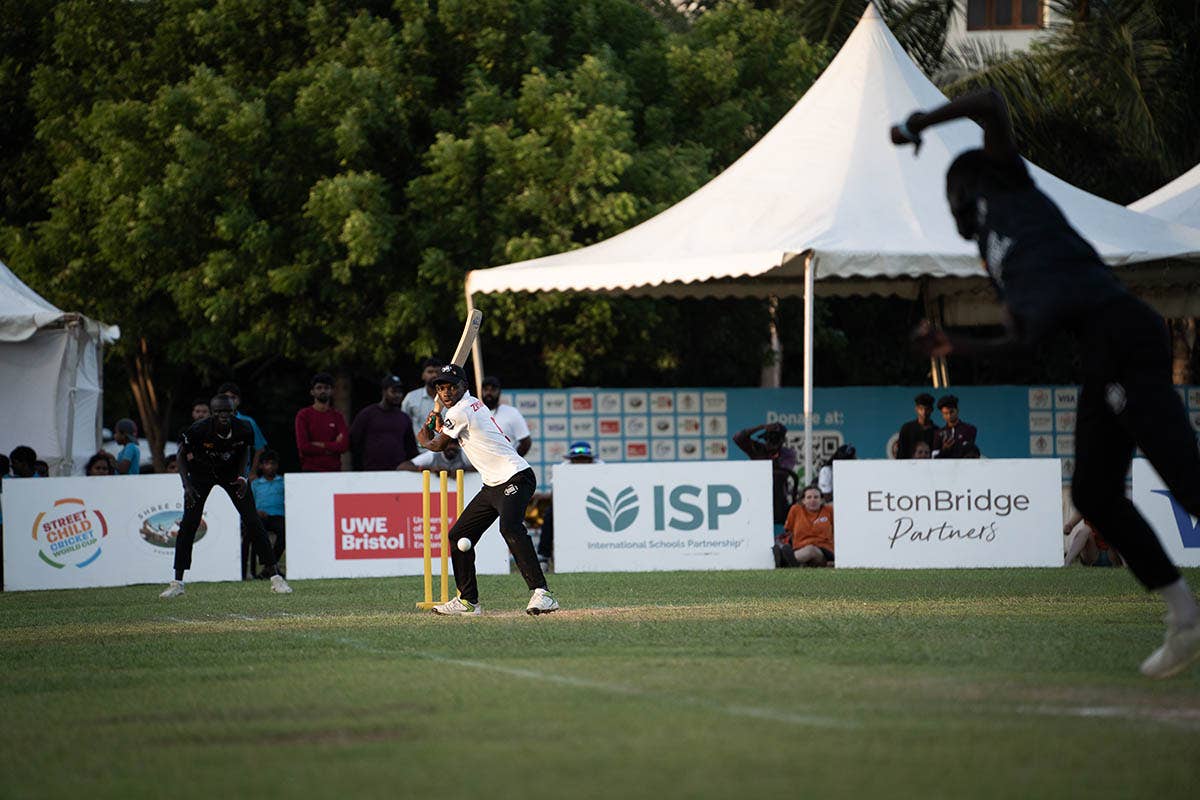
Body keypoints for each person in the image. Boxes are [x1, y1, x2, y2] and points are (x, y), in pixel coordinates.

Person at [895, 87, 1200, 678]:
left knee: (1187, 480)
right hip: (1102, 352)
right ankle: (1184, 616)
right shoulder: (995, 262)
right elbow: (1027, 341)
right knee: (1093, 493)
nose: (952, 210)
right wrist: (956, 346)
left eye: (951, 195)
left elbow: (989, 101)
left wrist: (924, 122)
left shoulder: (1008, 183)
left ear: (967, 188)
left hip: (1126, 335)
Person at [417, 364, 557, 616]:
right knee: (458, 534)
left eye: (451, 386)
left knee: (510, 528)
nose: (446, 392)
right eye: (441, 388)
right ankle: (468, 601)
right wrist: (438, 424)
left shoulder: (461, 410)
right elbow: (451, 434)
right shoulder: (471, 406)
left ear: (464, 387)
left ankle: (543, 593)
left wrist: (425, 433)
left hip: (516, 476)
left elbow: (436, 445)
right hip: (493, 485)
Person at [161, 394, 291, 598]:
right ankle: (177, 583)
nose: (224, 415)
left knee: (253, 521)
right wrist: (186, 486)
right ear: (212, 413)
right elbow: (180, 455)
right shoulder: (198, 429)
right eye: (219, 412)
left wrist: (242, 476)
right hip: (201, 475)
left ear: (233, 412)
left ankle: (275, 578)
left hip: (231, 475)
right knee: (189, 524)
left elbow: (245, 452)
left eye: (228, 411)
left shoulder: (244, 428)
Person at [536, 441, 605, 565]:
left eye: (584, 459)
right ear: (571, 460)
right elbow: (554, 495)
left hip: (596, 504)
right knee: (550, 514)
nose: (580, 462)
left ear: (590, 460)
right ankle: (543, 556)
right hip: (569, 505)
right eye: (577, 459)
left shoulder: (601, 467)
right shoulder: (563, 468)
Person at [732, 422, 798, 529]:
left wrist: (773, 456)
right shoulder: (758, 449)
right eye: (767, 438)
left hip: (779, 497)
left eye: (775, 439)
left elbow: (782, 473)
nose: (770, 442)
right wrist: (760, 427)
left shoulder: (788, 454)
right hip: (757, 495)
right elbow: (738, 438)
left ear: (782, 441)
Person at [349, 374, 418, 470]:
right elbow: (354, 441)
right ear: (384, 391)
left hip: (398, 472)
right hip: (371, 471)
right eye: (393, 391)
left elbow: (411, 448)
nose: (398, 395)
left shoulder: (404, 418)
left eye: (400, 392)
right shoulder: (368, 414)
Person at [294, 372, 349, 472]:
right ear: (312, 392)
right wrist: (332, 446)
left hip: (334, 471)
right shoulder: (303, 415)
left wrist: (320, 445)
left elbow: (344, 446)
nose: (323, 390)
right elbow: (303, 447)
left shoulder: (337, 416)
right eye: (319, 388)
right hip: (310, 471)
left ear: (332, 391)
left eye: (326, 388)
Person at [774, 485, 834, 568]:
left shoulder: (829, 510)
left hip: (823, 551)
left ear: (821, 500)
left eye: (816, 497)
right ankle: (790, 561)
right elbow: (789, 531)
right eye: (809, 497)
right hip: (800, 548)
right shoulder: (796, 510)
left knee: (811, 550)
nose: (812, 500)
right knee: (805, 551)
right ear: (803, 501)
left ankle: (783, 560)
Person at [217, 382, 267, 476]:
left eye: (233, 397)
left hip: (242, 476)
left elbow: (260, 449)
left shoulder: (248, 422)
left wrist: (253, 472)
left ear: (238, 401)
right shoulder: (211, 422)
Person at [251, 449, 287, 575]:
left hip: (278, 516)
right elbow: (250, 504)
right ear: (261, 466)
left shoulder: (283, 482)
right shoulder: (255, 484)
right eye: (266, 463)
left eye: (273, 463)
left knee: (285, 532)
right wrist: (257, 512)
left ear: (277, 465)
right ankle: (269, 567)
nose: (270, 467)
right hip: (261, 516)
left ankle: (269, 565)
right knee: (256, 532)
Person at [479, 375, 532, 456]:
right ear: (481, 391)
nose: (489, 393)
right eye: (486, 389)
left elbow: (526, 442)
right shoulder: (475, 412)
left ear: (499, 392)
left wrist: (512, 460)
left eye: (493, 390)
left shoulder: (511, 413)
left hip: (506, 465)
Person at [402, 357, 445, 448]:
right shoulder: (411, 398)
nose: (434, 375)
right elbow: (403, 425)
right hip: (419, 450)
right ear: (423, 375)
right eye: (430, 372)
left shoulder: (450, 398)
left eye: (437, 372)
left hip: (446, 452)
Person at [895, 393, 937, 459]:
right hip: (909, 467)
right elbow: (901, 454)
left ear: (932, 410)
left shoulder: (937, 431)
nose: (924, 412)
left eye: (927, 409)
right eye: (921, 409)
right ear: (916, 409)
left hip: (930, 467)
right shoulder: (907, 428)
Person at [396, 439, 472, 473]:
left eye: (456, 444)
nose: (452, 446)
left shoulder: (463, 454)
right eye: (449, 444)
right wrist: (429, 469)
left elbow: (481, 467)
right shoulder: (433, 455)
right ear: (443, 445)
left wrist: (463, 470)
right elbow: (402, 466)